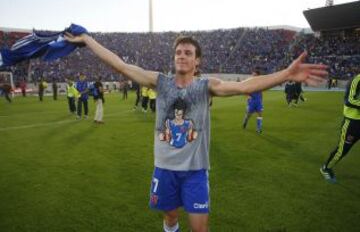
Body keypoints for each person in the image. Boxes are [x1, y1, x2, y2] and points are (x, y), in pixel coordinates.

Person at [65, 32, 327, 232]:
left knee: (200, 228)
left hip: (195, 171)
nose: (182, 55)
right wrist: (87, 39)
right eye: (178, 52)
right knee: (170, 217)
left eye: (188, 53)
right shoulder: (160, 82)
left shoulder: (206, 86)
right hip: (164, 169)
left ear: (196, 60)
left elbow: (245, 86)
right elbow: (120, 65)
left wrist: (286, 74)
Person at [320, 72, 360, 183]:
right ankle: (326, 168)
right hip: (353, 122)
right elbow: (349, 100)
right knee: (343, 150)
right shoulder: (356, 80)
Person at [242, 68, 263, 133]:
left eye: (255, 75)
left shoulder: (260, 83)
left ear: (258, 76)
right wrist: (248, 96)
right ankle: (245, 121)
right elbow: (245, 91)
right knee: (249, 115)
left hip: (258, 101)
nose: (253, 76)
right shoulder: (249, 82)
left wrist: (261, 100)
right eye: (253, 75)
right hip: (252, 101)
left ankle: (258, 128)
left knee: (260, 114)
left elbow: (261, 92)